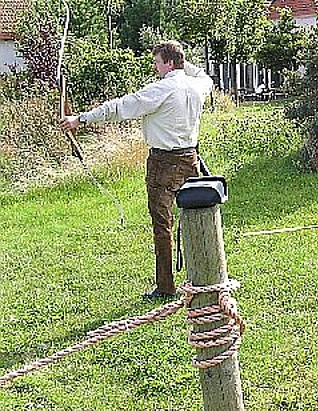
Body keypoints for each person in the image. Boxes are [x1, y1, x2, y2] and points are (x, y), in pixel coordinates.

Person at [60, 40, 213, 301]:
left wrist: (81, 119)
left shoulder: (161, 89)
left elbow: (120, 107)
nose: (155, 67)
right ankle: (203, 278)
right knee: (195, 219)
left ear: (169, 63)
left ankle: (166, 287)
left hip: (163, 164)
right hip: (190, 160)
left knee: (162, 225)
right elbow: (204, 76)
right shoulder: (197, 85)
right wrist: (182, 64)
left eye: (158, 62)